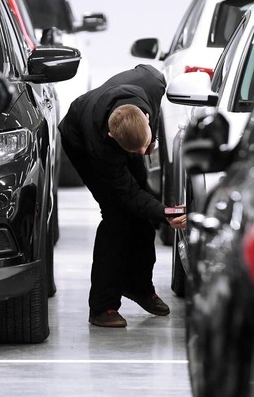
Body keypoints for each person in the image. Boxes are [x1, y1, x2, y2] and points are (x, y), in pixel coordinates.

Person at [58, 64, 186, 328]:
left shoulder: (153, 83)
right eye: (135, 150)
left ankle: (139, 287)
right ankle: (103, 306)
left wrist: (151, 142)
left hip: (127, 129)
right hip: (79, 137)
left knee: (143, 212)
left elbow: (152, 78)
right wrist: (164, 213)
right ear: (112, 136)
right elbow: (128, 195)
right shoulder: (100, 145)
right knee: (117, 215)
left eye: (145, 146)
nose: (143, 152)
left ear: (147, 119)